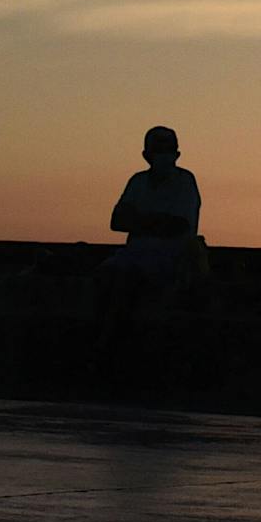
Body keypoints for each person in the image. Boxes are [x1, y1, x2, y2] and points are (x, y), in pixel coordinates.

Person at [94, 126, 203, 354]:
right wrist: (156, 221)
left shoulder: (185, 182)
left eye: (168, 149)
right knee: (104, 278)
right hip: (132, 255)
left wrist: (139, 220)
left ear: (177, 154)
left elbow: (178, 225)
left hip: (169, 258)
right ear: (146, 155)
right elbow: (117, 221)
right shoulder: (138, 182)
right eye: (158, 149)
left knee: (128, 286)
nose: (163, 154)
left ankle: (109, 349)